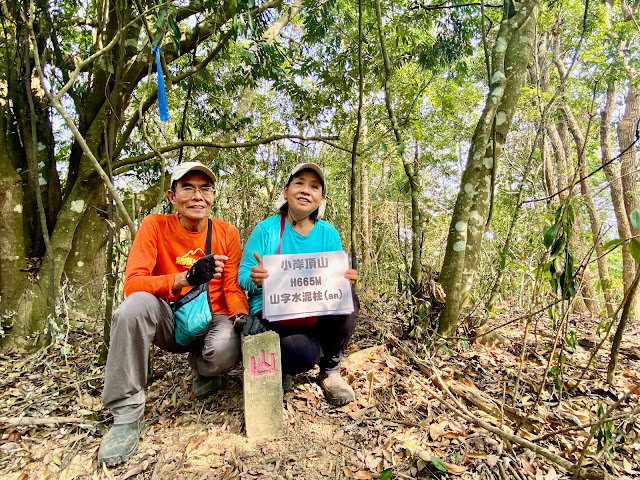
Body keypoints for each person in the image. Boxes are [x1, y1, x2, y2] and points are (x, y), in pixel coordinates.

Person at [98, 162, 249, 466]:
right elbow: (133, 284)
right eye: (188, 188)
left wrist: (241, 316)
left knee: (222, 351)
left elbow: (231, 285)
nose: (197, 196)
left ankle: (203, 368)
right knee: (132, 308)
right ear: (172, 195)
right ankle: (126, 415)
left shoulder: (226, 233)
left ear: (213, 196)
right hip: (170, 316)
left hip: (214, 317)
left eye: (205, 189)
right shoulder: (155, 226)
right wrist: (185, 278)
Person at [238, 163, 359, 406]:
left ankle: (330, 370)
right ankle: (290, 359)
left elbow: (333, 281)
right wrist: (256, 278)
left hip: (315, 312)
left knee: (349, 298)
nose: (306, 190)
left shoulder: (328, 233)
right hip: (275, 314)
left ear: (321, 198)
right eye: (299, 183)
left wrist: (343, 278)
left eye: (314, 187)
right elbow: (241, 277)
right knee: (301, 357)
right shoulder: (266, 230)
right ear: (286, 191)